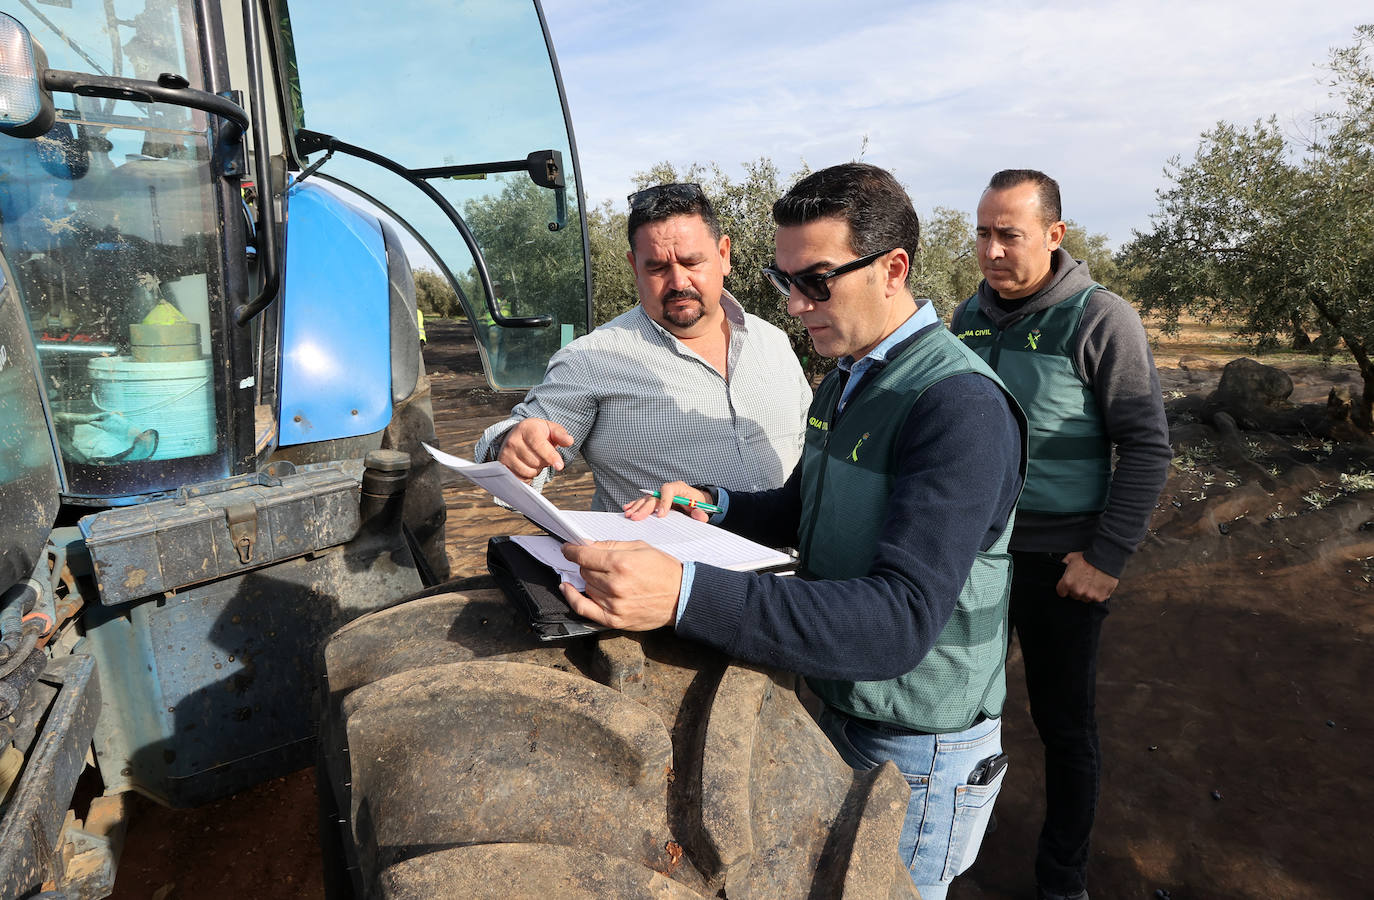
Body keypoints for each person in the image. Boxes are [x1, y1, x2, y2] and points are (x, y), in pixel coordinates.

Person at [560, 163, 1027, 899]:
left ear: (893, 269)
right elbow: (799, 509)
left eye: (816, 280)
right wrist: (710, 504)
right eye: (784, 283)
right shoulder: (849, 377)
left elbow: (898, 624)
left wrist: (682, 594)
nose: (796, 304)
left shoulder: (957, 406)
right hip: (838, 705)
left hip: (914, 743)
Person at [950, 169, 1172, 900]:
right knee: (957, 709)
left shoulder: (1100, 317)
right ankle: (945, 857)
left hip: (1062, 563)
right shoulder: (967, 319)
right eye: (982, 233)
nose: (990, 250)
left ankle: (1062, 879)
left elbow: (1146, 445)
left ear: (1054, 235)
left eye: (1007, 234)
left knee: (1063, 727)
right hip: (976, 556)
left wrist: (1107, 557)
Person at [473, 183, 810, 510]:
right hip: (666, 566)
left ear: (723, 255)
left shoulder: (773, 342)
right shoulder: (592, 359)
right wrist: (511, 446)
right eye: (658, 268)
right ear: (635, 268)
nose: (678, 282)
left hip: (792, 564)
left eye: (692, 262)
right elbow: (521, 450)